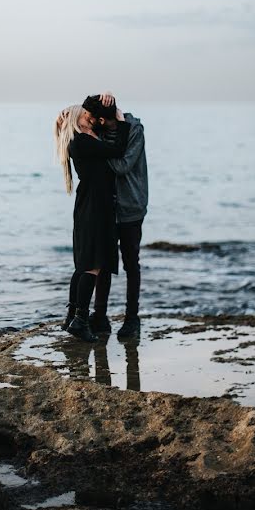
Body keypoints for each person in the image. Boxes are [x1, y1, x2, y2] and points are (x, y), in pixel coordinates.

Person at [54, 104, 131, 342]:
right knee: (93, 265)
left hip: (90, 204)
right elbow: (117, 150)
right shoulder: (82, 142)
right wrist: (121, 121)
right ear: (80, 120)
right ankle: (80, 319)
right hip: (95, 206)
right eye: (85, 114)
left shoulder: (83, 140)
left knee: (84, 264)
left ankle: (72, 316)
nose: (90, 116)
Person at [81, 94, 148, 338]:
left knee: (131, 263)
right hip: (107, 207)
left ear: (103, 119)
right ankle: (100, 317)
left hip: (131, 206)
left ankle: (132, 319)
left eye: (92, 119)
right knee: (104, 263)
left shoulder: (134, 130)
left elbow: (121, 166)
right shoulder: (99, 128)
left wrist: (104, 143)